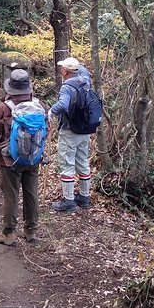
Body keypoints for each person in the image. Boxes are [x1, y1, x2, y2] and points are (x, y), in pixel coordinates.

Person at [0, 70, 45, 245]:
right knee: (31, 193)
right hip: (33, 158)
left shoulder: (4, 108)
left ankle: (9, 233)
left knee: (11, 195)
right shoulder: (40, 106)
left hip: (9, 160)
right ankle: (31, 231)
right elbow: (44, 132)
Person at [49, 57, 94, 213]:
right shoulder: (85, 81)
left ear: (65, 71)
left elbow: (63, 104)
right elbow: (83, 69)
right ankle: (84, 197)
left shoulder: (67, 86)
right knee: (82, 161)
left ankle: (68, 201)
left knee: (67, 164)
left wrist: (51, 111)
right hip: (85, 129)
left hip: (70, 130)